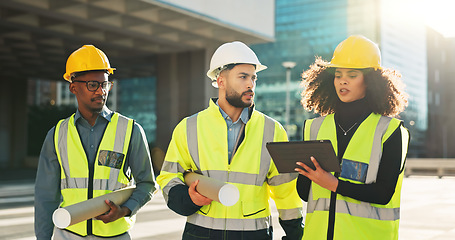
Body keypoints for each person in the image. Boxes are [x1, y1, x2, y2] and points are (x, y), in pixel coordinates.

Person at [157, 41, 304, 240]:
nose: (250, 84)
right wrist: (188, 198)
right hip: (201, 234)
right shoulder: (189, 127)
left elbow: (286, 189)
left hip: (254, 235)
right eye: (243, 77)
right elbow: (168, 177)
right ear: (221, 81)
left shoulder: (273, 130)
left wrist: (295, 234)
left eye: (253, 78)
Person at [34, 45, 157, 240]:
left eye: (105, 84)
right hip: (68, 234)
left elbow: (147, 184)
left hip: (115, 235)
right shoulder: (57, 134)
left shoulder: (131, 130)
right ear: (73, 87)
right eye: (93, 84)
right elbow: (45, 197)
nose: (101, 91)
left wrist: (125, 210)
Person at [295, 35, 410, 240]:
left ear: (371, 80)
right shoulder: (314, 127)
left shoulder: (391, 131)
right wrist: (304, 171)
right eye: (338, 75)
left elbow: (383, 195)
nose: (343, 80)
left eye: (352, 74)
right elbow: (305, 194)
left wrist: (333, 183)